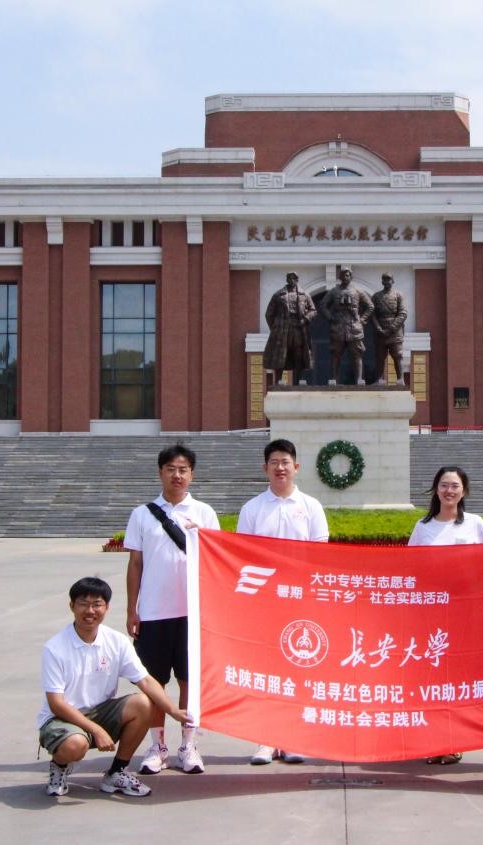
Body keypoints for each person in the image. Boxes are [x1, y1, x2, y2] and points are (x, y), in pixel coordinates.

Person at [38, 577, 191, 798]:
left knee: (144, 703)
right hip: (62, 718)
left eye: (97, 604)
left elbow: (145, 680)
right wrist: (96, 730)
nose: (90, 611)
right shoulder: (55, 648)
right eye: (83, 604)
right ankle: (59, 766)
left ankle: (116, 772)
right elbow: (56, 704)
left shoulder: (116, 641)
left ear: (107, 607)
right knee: (75, 746)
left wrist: (173, 710)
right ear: (71, 606)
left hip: (101, 712)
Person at [123, 445, 219, 775]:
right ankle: (158, 746)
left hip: (192, 612)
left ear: (192, 474)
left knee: (189, 680)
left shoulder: (204, 513)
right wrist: (132, 609)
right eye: (170, 469)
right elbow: (135, 564)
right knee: (154, 683)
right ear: (160, 472)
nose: (177, 475)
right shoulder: (142, 514)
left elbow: (216, 563)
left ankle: (188, 745)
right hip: (153, 612)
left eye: (183, 469)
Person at [238, 438, 329, 764]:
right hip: (265, 602)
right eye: (274, 462)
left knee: (297, 667)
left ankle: (291, 737)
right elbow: (243, 556)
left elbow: (320, 556)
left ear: (296, 467)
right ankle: (265, 739)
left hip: (300, 600)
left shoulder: (311, 507)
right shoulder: (252, 508)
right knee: (265, 670)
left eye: (285, 462)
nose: (280, 468)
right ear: (265, 468)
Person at [409, 465, 483, 765]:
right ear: (436, 489)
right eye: (444, 485)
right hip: (431, 613)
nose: (449, 491)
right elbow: (410, 567)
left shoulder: (475, 524)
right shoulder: (423, 527)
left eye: (455, 486)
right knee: (432, 677)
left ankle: (454, 740)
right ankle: (433, 741)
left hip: (464, 612)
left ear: (464, 490)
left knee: (458, 678)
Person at [321, 267, 374, 385]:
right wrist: (330, 318)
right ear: (339, 277)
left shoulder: (358, 291)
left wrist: (362, 320)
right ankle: (334, 379)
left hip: (354, 327)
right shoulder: (334, 291)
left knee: (357, 354)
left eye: (348, 275)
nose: (345, 277)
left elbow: (370, 306)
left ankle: (359, 379)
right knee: (336, 354)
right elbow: (323, 305)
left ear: (351, 277)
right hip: (338, 327)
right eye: (343, 275)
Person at [263, 271, 317, 385]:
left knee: (299, 353)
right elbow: (269, 314)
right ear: (287, 280)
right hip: (283, 329)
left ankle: (300, 380)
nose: (292, 280)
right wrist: (276, 328)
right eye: (290, 278)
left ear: (297, 280)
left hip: (298, 328)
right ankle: (278, 380)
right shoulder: (278, 295)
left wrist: (305, 319)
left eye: (294, 278)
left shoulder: (304, 295)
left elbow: (313, 310)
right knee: (281, 353)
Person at [370, 273, 408, 385]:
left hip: (395, 332)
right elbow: (372, 314)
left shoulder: (398, 295)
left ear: (393, 281)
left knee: (398, 355)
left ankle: (400, 379)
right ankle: (380, 379)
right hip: (380, 332)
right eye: (384, 279)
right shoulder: (375, 296)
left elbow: (403, 313)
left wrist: (392, 328)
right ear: (382, 281)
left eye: (389, 279)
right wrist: (378, 327)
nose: (386, 281)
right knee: (380, 356)